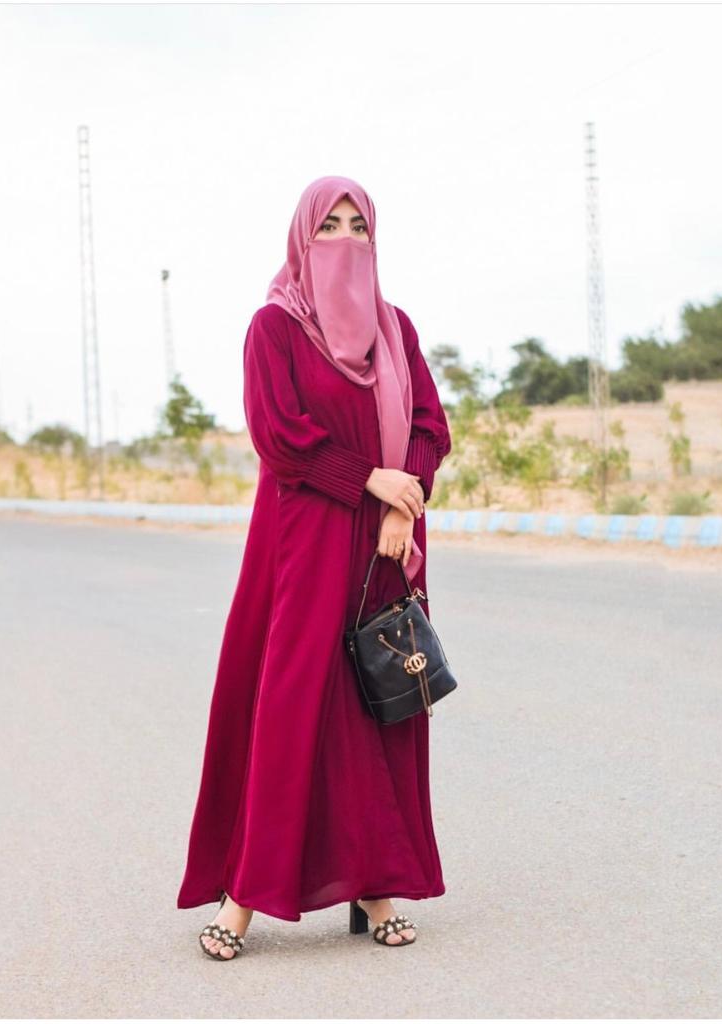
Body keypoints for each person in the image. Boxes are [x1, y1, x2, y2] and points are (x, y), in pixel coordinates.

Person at [176, 175, 452, 960]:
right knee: (290, 710)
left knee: (375, 705)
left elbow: (428, 427)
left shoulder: (397, 329)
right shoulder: (274, 327)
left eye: (358, 227)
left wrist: (401, 504)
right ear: (302, 238)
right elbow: (281, 437)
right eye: (329, 226)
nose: (344, 240)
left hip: (385, 547)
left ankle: (375, 883)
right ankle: (245, 893)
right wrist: (370, 480)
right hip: (302, 541)